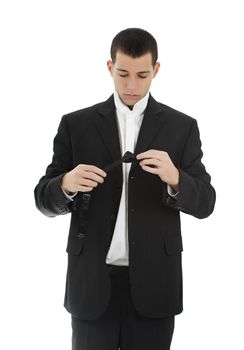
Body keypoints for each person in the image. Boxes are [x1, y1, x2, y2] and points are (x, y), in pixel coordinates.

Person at [34, 28, 216, 350]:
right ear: (109, 67)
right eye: (123, 74)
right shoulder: (75, 124)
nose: (132, 85)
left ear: (156, 70)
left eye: (143, 75)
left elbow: (206, 204)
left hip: (155, 284)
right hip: (91, 284)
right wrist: (65, 184)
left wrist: (176, 178)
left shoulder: (182, 127)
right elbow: (42, 199)